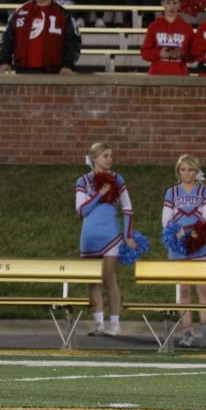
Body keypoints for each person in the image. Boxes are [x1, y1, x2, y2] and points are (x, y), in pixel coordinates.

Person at [75, 142, 134, 337]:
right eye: (105, 156)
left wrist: (127, 235)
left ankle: (114, 324)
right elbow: (81, 210)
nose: (109, 159)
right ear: (94, 159)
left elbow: (127, 208)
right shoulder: (83, 181)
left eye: (110, 155)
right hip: (89, 236)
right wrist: (99, 195)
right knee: (92, 281)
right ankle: (98, 323)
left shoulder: (118, 179)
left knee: (109, 278)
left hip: (111, 235)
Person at [163, 154, 206, 349]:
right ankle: (187, 334)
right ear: (178, 172)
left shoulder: (205, 191)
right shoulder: (172, 192)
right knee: (183, 290)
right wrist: (176, 234)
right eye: (183, 170)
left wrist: (196, 235)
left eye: (190, 169)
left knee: (204, 290)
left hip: (200, 246)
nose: (186, 173)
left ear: (196, 171)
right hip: (179, 248)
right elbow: (166, 220)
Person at [0, 0, 81, 74]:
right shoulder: (20, 12)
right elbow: (7, 39)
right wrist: (4, 61)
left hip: (52, 71)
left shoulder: (63, 15)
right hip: (22, 70)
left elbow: (73, 43)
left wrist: (67, 65)